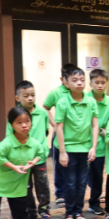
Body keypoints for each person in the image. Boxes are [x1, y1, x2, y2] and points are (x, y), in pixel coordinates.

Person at [0, 107, 44, 219]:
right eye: (19, 122)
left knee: (20, 205)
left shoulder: (34, 143)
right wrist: (14, 167)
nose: (24, 125)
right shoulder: (6, 143)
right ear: (11, 125)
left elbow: (40, 153)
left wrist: (33, 163)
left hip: (18, 181)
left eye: (27, 121)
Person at [54, 67, 99, 219]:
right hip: (69, 150)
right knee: (70, 183)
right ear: (66, 83)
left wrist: (93, 147)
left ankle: (78, 212)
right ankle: (69, 213)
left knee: (81, 183)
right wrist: (62, 152)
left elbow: (95, 126)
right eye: (74, 80)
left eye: (81, 80)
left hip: (85, 149)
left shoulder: (91, 101)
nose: (79, 83)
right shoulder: (62, 102)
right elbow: (59, 128)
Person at [9, 81, 51, 219]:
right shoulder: (14, 115)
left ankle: (45, 210)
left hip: (39, 157)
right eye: (26, 96)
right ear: (17, 98)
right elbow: (10, 137)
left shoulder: (42, 112)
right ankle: (30, 211)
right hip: (22, 158)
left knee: (42, 184)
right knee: (26, 186)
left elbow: (45, 131)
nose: (30, 98)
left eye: (32, 95)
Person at [43, 63, 77, 207]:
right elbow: (45, 108)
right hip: (60, 135)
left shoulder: (79, 92)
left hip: (75, 136)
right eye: (69, 78)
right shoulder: (56, 92)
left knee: (74, 165)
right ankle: (60, 194)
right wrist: (54, 125)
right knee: (59, 165)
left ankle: (73, 191)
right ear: (62, 79)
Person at [86, 69, 109, 215]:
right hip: (84, 144)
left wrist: (107, 130)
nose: (100, 85)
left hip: (102, 146)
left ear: (107, 84)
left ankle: (94, 203)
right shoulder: (85, 98)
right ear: (90, 83)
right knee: (81, 176)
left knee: (98, 176)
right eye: (96, 82)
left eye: (103, 83)